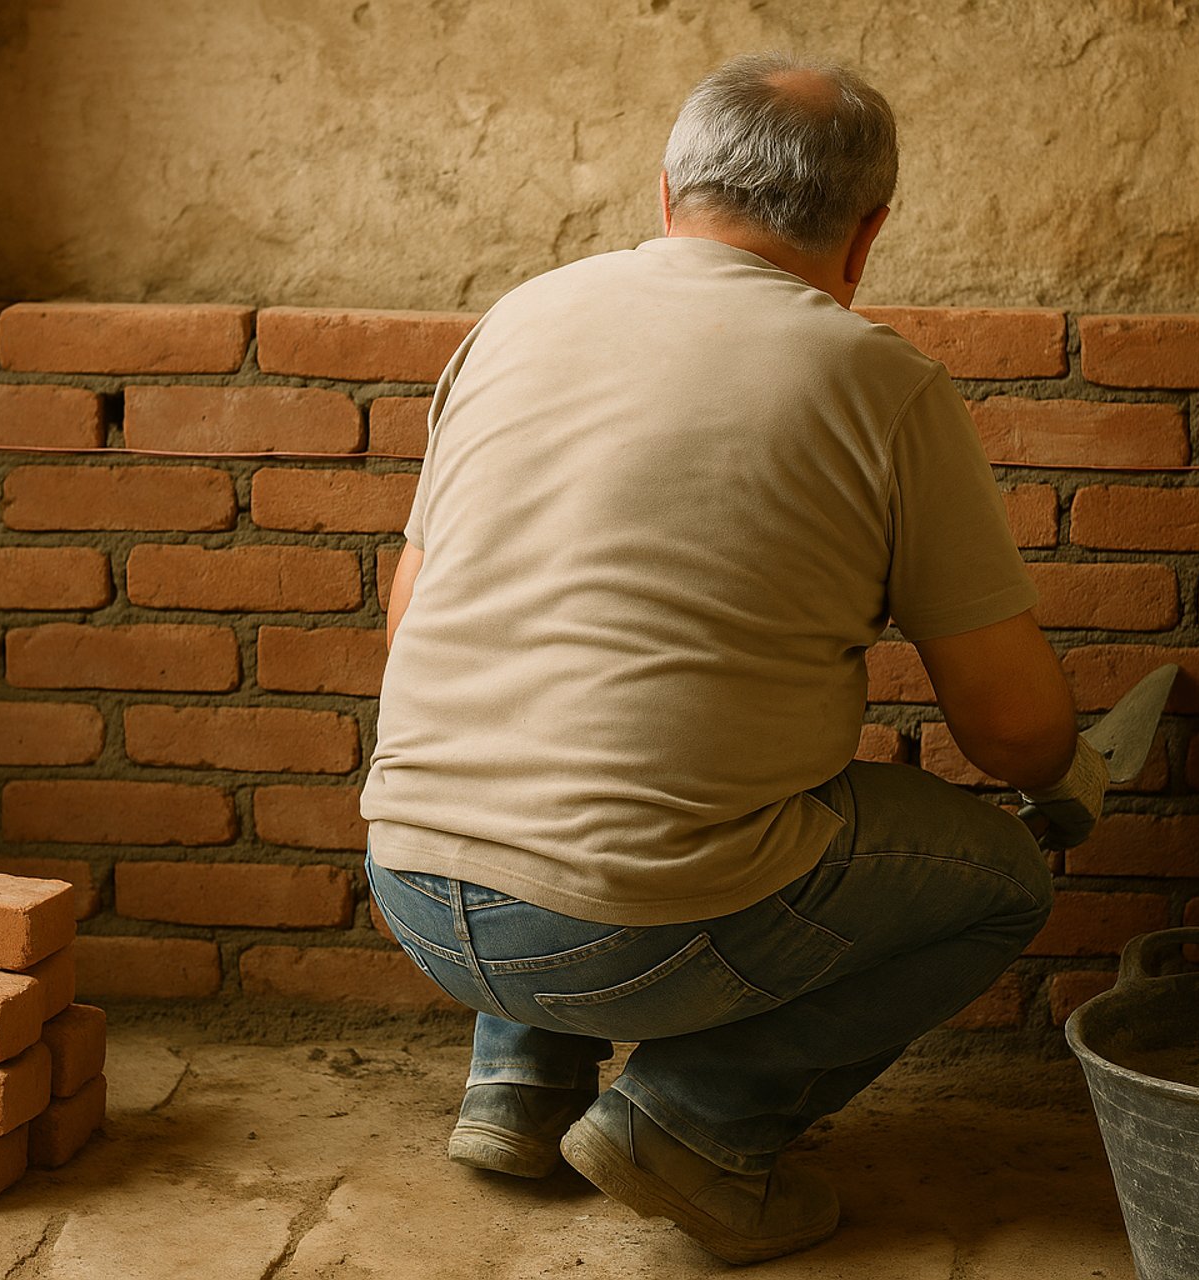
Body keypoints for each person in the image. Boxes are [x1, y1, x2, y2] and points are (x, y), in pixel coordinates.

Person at [358, 50, 1105, 1265]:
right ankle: (693, 1124)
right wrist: (1072, 771)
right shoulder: (878, 381)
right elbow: (1015, 736)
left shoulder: (517, 319)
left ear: (666, 194)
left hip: (410, 888)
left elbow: (412, 633)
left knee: (584, 744)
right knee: (1003, 875)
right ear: (866, 236)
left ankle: (517, 1085)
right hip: (623, 936)